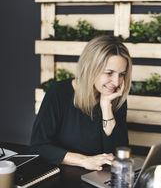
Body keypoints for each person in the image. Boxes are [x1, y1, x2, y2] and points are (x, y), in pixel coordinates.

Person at [30, 35, 132, 170]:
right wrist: (84, 160)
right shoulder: (59, 92)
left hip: (100, 177)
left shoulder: (115, 97)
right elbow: (38, 146)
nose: (116, 82)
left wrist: (106, 107)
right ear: (89, 68)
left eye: (121, 74)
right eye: (109, 73)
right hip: (61, 174)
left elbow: (119, 156)